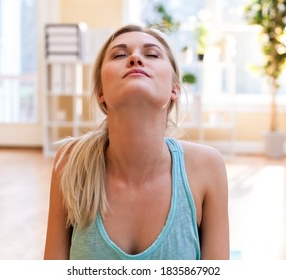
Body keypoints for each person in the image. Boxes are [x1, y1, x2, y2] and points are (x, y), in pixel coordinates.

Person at [43, 24, 229, 260]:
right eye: (120, 54)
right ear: (101, 92)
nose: (135, 58)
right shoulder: (70, 161)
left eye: (152, 54)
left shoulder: (207, 166)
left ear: (174, 89)